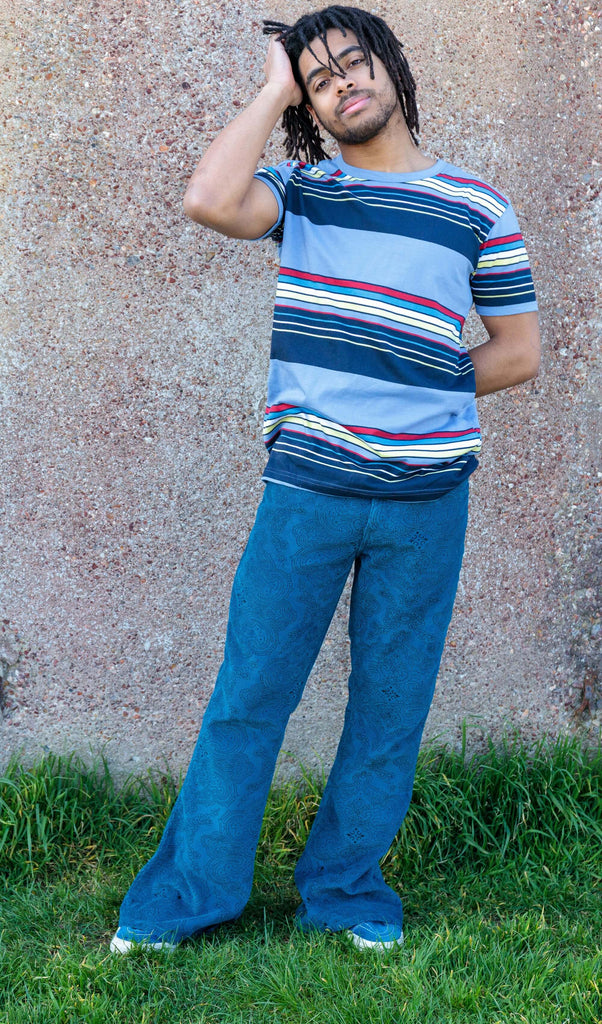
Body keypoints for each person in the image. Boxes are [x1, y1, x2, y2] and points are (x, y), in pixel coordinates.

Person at [110, 4, 540, 954]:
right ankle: (187, 895)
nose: (343, 81)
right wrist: (272, 88)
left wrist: (419, 380)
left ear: (391, 65)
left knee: (390, 707)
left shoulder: (478, 205)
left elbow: (517, 354)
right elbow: (208, 202)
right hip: (307, 490)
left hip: (427, 501)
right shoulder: (302, 191)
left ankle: (345, 891)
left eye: (355, 61)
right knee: (249, 694)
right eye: (319, 78)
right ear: (308, 103)